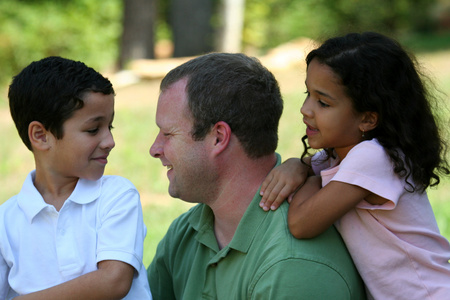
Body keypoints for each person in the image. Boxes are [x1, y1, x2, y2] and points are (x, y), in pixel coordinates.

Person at [147, 52, 366, 299]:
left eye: (167, 134)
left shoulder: (293, 267)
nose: (154, 149)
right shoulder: (190, 230)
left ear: (218, 137)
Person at [259, 32, 450, 299]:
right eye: (308, 94)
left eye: (323, 102)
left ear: (368, 119)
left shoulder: (373, 157)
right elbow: (312, 165)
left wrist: (312, 180)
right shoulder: (342, 156)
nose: (305, 109)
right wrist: (297, 165)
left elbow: (301, 224)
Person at [1, 56, 152, 299]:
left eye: (109, 127)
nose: (109, 142)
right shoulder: (6, 222)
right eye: (93, 130)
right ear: (40, 136)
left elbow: (113, 281)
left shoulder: (117, 196)